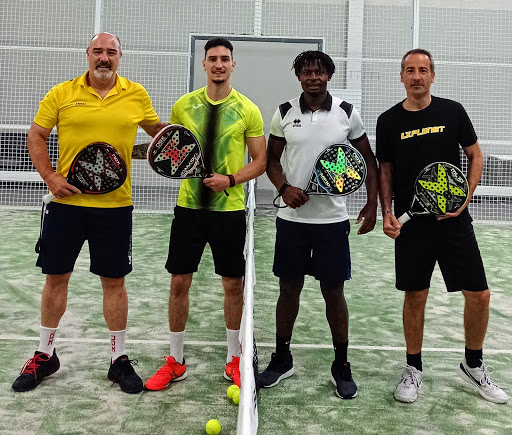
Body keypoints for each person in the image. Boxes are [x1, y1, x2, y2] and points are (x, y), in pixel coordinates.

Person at [12, 33, 166, 394]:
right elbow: (36, 135)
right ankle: (45, 354)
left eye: (111, 52)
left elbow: (157, 135)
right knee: (55, 278)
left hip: (115, 208)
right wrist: (50, 176)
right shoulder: (62, 93)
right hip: (66, 207)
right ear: (87, 55)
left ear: (119, 58)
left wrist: (182, 140)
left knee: (114, 283)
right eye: (98, 51)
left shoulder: (136, 94)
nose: (104, 58)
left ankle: (118, 359)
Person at [376, 48, 508, 404]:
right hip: (412, 227)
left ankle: (474, 365)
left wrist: (465, 196)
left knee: (479, 295)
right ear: (401, 77)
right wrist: (386, 212)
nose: (416, 76)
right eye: (410, 70)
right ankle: (413, 369)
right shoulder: (388, 121)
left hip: (454, 223)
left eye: (423, 70)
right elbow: (385, 170)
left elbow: (475, 155)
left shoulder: (452, 111)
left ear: (432, 76)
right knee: (415, 295)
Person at [144, 37, 266, 391]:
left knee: (233, 285)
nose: (218, 64)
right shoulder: (183, 106)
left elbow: (260, 161)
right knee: (179, 283)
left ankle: (234, 360)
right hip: (188, 211)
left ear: (233, 65)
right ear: (204, 64)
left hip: (228, 211)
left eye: (224, 59)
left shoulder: (248, 109)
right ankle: (176, 361)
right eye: (212, 58)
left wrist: (231, 178)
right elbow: (173, 151)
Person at [259, 51, 378, 399]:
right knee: (289, 289)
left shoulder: (346, 112)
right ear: (299, 77)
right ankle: (282, 358)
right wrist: (284, 188)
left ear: (329, 75)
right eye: (307, 72)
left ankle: (341, 365)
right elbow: (272, 160)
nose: (313, 77)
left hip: (332, 221)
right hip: (292, 220)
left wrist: (372, 204)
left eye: (319, 71)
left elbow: (366, 159)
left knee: (333, 293)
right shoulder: (284, 112)